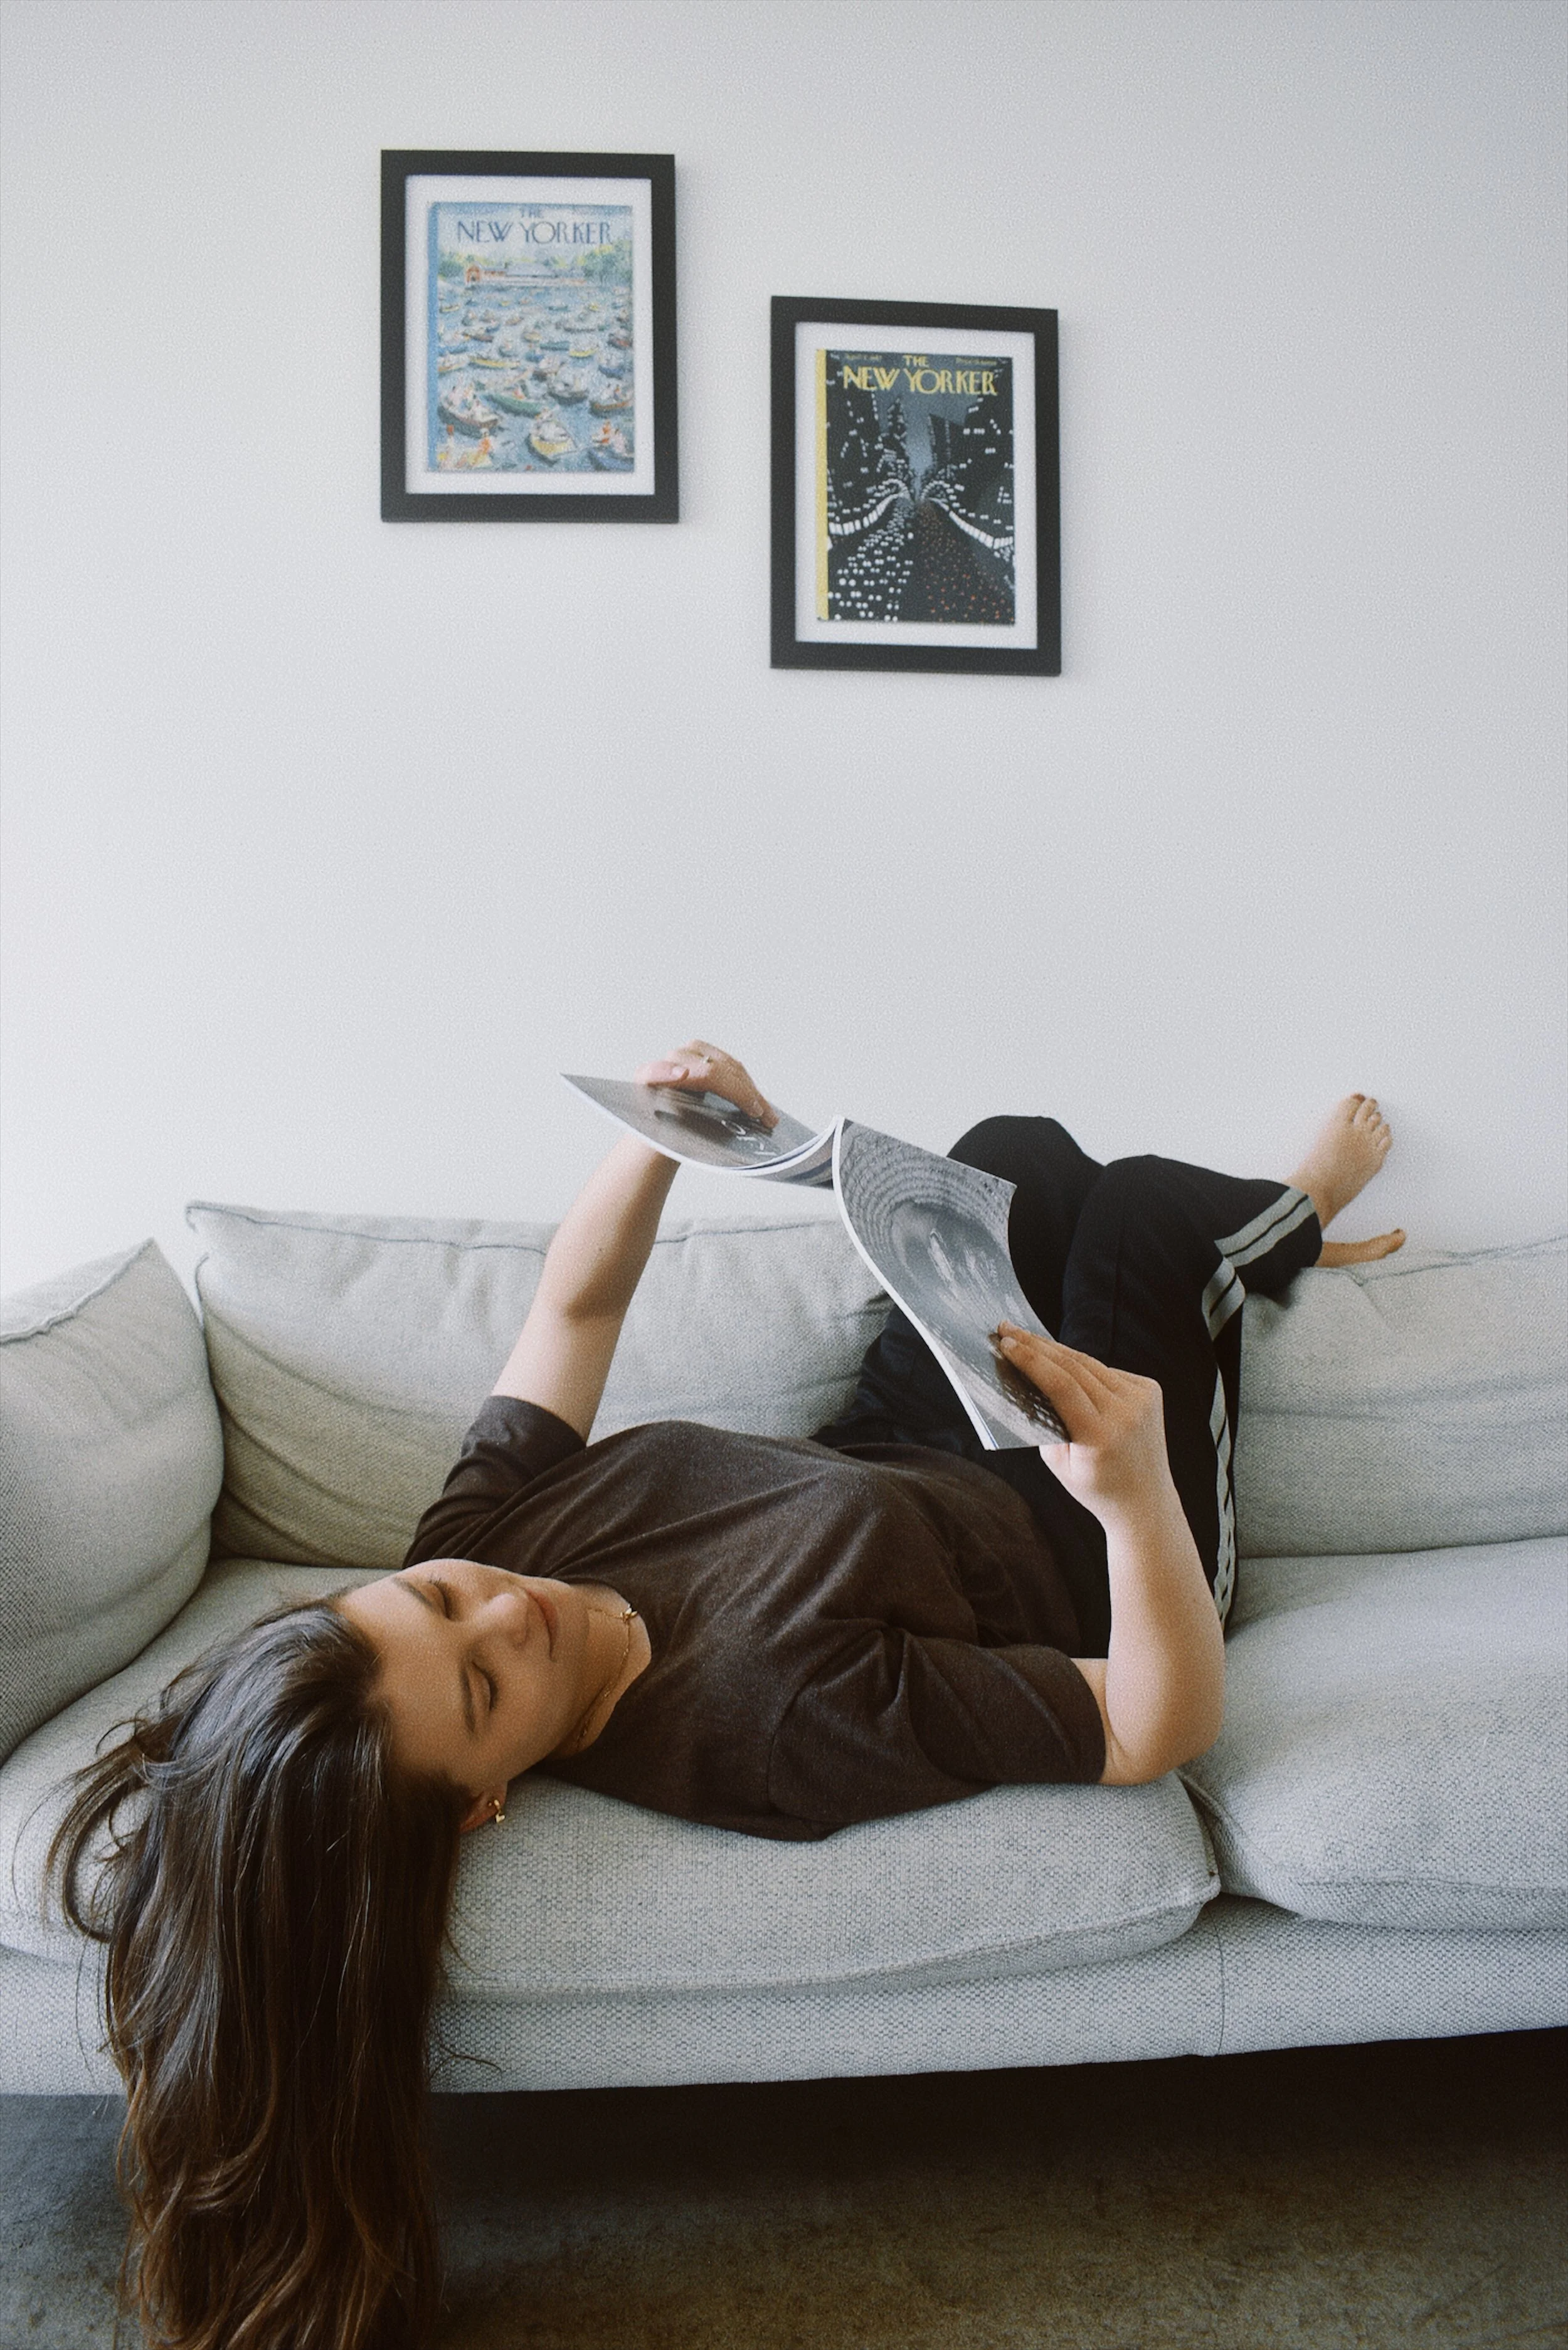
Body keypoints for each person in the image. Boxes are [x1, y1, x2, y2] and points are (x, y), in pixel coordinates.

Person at [51, 1044, 1401, 2350]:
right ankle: (1285, 1227)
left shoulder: (487, 1529)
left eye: (441, 1598)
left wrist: (661, 1132)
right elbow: (1144, 1726)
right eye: (480, 1684)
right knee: (1145, 1215)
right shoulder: (770, 1721)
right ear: (481, 1799)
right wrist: (1131, 1499)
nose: (506, 1608)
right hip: (1088, 1554)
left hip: (902, 1449)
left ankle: (1234, 1256)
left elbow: (568, 1315)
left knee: (1012, 1156)